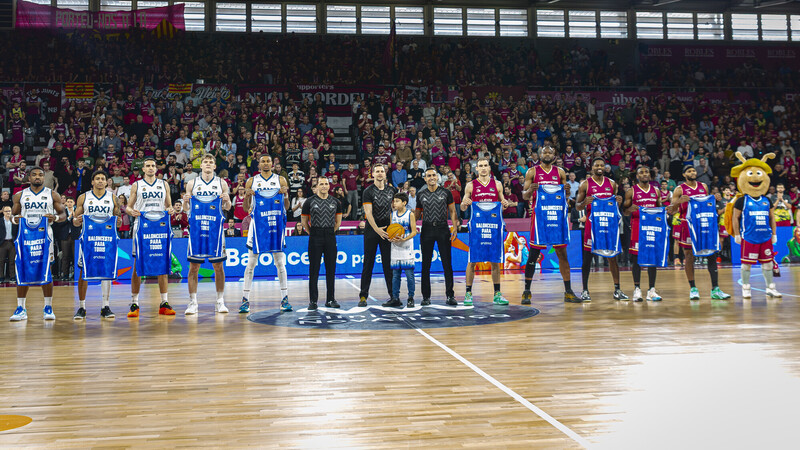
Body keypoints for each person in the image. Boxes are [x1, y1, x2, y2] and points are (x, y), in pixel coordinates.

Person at [521, 146, 579, 304]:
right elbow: (524, 195)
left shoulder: (560, 172)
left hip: (556, 218)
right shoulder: (532, 172)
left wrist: (567, 192)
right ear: (539, 155)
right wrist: (530, 190)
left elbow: (565, 197)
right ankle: (526, 291)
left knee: (562, 254)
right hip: (539, 218)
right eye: (544, 152)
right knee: (533, 255)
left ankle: (568, 291)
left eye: (550, 152)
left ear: (554, 155)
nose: (547, 154)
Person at [10, 166, 66, 321]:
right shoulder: (19, 195)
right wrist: (16, 219)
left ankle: (48, 307)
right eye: (34, 175)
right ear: (29, 178)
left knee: (46, 269)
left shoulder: (52, 194)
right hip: (26, 236)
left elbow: (63, 215)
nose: (37, 177)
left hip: (45, 236)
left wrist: (54, 218)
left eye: (40, 175)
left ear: (44, 178)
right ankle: (21, 308)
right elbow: (12, 217)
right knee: (23, 269)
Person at [668, 166, 730, 301]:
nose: (693, 173)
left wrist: (716, 199)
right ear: (684, 174)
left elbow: (708, 204)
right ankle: (693, 288)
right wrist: (679, 201)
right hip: (688, 225)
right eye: (689, 171)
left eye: (694, 171)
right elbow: (671, 211)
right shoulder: (679, 189)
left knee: (711, 254)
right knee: (689, 256)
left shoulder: (703, 186)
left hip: (703, 224)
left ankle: (715, 289)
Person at [182, 154, 232, 315]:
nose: (208, 164)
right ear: (201, 165)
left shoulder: (221, 183)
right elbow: (185, 208)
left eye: (211, 162)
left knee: (218, 266)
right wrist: (185, 200)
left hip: (215, 230)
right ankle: (193, 303)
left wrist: (226, 200)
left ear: (215, 166)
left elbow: (228, 206)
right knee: (194, 267)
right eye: (206, 162)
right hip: (196, 230)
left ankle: (220, 301)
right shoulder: (192, 183)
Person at [241, 154, 291, 313]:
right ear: (259, 164)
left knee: (280, 263)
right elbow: (245, 208)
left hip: (275, 225)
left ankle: (285, 298)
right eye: (263, 161)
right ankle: (245, 300)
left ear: (273, 162)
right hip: (258, 226)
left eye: (268, 161)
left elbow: (287, 207)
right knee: (251, 264)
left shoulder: (281, 180)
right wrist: (248, 196)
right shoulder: (252, 181)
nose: (266, 163)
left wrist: (286, 195)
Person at [127, 157, 176, 318]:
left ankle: (164, 302)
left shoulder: (164, 184)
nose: (150, 168)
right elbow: (128, 207)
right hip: (142, 225)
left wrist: (171, 210)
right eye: (147, 166)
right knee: (137, 263)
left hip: (160, 227)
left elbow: (169, 205)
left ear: (156, 169)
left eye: (152, 166)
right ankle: (134, 302)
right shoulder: (137, 185)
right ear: (143, 169)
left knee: (162, 262)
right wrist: (131, 211)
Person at [575, 157, 628, 302]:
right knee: (587, 259)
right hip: (592, 226)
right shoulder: (585, 184)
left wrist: (619, 202)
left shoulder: (612, 184)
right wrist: (584, 202)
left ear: (605, 167)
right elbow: (577, 206)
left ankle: (617, 289)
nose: (599, 167)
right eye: (596, 165)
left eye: (602, 165)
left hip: (608, 226)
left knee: (612, 258)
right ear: (592, 168)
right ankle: (585, 290)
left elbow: (616, 204)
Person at [460, 158, 510, 306]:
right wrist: (464, 204)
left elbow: (503, 204)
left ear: (489, 168)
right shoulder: (470, 185)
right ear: (476, 169)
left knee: (495, 261)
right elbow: (463, 207)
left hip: (493, 227)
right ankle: (468, 293)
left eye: (485, 166)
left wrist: (505, 204)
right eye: (480, 166)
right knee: (472, 261)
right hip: (477, 228)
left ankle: (497, 294)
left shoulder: (497, 184)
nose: (483, 168)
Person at [72, 171, 121, 319]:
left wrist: (118, 222)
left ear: (107, 182)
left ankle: (105, 306)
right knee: (83, 272)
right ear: (92, 182)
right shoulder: (83, 197)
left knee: (106, 271)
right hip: (88, 240)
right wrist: (76, 221)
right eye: (97, 179)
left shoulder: (113, 198)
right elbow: (75, 221)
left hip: (106, 240)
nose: (100, 181)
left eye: (103, 179)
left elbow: (117, 220)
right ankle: (82, 307)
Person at [415, 168, 459, 306]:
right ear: (425, 178)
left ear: (438, 177)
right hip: (427, 229)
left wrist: (455, 227)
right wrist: (408, 224)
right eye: (429, 176)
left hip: (443, 228)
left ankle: (450, 295)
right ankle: (426, 297)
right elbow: (416, 214)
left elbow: (452, 211)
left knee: (447, 264)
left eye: (434, 175)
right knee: (425, 265)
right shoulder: (420, 194)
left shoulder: (446, 192)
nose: (431, 177)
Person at [301, 177, 342, 310]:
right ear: (316, 186)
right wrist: (312, 233)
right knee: (314, 270)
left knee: (331, 269)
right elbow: (304, 221)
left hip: (330, 235)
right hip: (315, 236)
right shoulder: (309, 201)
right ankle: (313, 301)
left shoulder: (336, 202)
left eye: (326, 184)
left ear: (329, 186)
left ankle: (330, 299)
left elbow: (338, 222)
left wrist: (329, 232)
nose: (324, 186)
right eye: (321, 184)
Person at [358, 164, 397, 307]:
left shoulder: (392, 190)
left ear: (385, 174)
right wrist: (377, 230)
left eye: (382, 171)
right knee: (368, 263)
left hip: (387, 230)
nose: (380, 174)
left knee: (388, 264)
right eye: (377, 171)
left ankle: (393, 295)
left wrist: (392, 229)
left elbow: (394, 211)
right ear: (373, 174)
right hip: (371, 229)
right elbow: (368, 213)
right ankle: (363, 296)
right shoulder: (368, 191)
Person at [623, 166, 663, 302]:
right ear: (637, 176)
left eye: (646, 172)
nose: (645, 174)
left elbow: (659, 208)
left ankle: (651, 290)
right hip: (637, 227)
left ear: (650, 175)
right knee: (636, 260)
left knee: (652, 259)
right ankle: (637, 289)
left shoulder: (656, 191)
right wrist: (629, 209)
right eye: (641, 172)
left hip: (652, 228)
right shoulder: (631, 192)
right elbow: (625, 212)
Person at [383, 192, 418, 308]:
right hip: (395, 248)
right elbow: (390, 230)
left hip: (407, 247)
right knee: (395, 275)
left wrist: (404, 239)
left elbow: (414, 231)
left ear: (404, 203)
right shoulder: (392, 215)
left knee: (409, 275)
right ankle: (395, 298)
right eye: (394, 201)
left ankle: (411, 297)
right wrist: (390, 237)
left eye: (397, 201)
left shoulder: (410, 214)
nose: (394, 203)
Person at [0, 206, 17, 283]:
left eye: (9, 211)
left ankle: (12, 277)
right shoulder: (0, 221)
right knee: (1, 261)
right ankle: (1, 277)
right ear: (3, 212)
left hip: (12, 242)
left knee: (12, 261)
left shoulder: (14, 221)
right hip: (2, 243)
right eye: (6, 211)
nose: (8, 213)